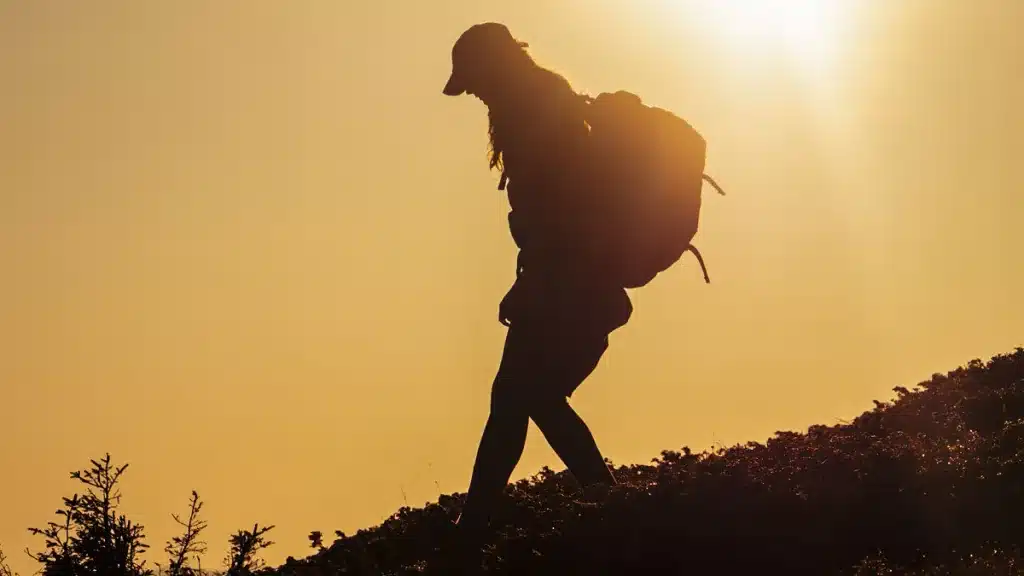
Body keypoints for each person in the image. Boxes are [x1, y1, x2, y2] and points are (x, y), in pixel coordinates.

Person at [441, 22, 633, 547]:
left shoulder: (533, 111)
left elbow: (561, 210)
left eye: (473, 78)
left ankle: (473, 531)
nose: (473, 91)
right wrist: (527, 280)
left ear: (493, 64)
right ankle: (605, 497)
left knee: (516, 397)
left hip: (570, 283)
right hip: (567, 279)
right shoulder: (539, 101)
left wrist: (534, 282)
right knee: (532, 397)